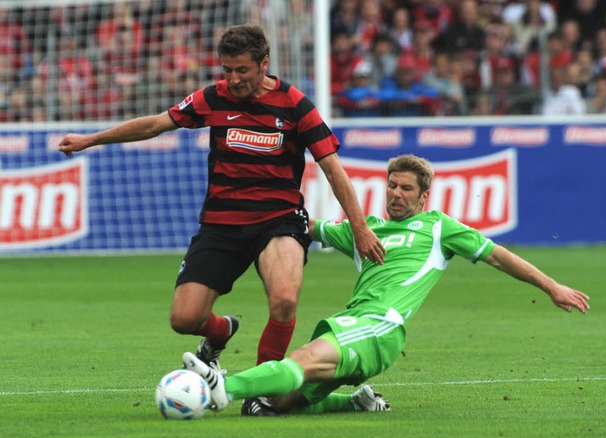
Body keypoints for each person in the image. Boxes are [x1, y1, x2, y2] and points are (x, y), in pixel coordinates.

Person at [58, 24, 384, 414]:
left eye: (242, 70)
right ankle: (221, 331)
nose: (233, 79)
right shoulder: (213, 98)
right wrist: (89, 140)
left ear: (264, 63)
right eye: (227, 69)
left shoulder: (296, 105)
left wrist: (360, 228)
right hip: (222, 223)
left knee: (284, 298)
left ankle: (263, 393)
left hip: (278, 220)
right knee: (184, 318)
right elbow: (155, 124)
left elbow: (333, 169)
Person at [182, 154, 591, 416]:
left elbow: (499, 256)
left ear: (423, 197)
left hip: (380, 325)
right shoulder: (366, 231)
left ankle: (222, 387)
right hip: (353, 322)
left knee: (301, 360)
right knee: (273, 405)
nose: (396, 194)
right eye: (391, 185)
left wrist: (552, 286)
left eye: (406, 188)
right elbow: (302, 227)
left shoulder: (438, 228)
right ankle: (354, 402)